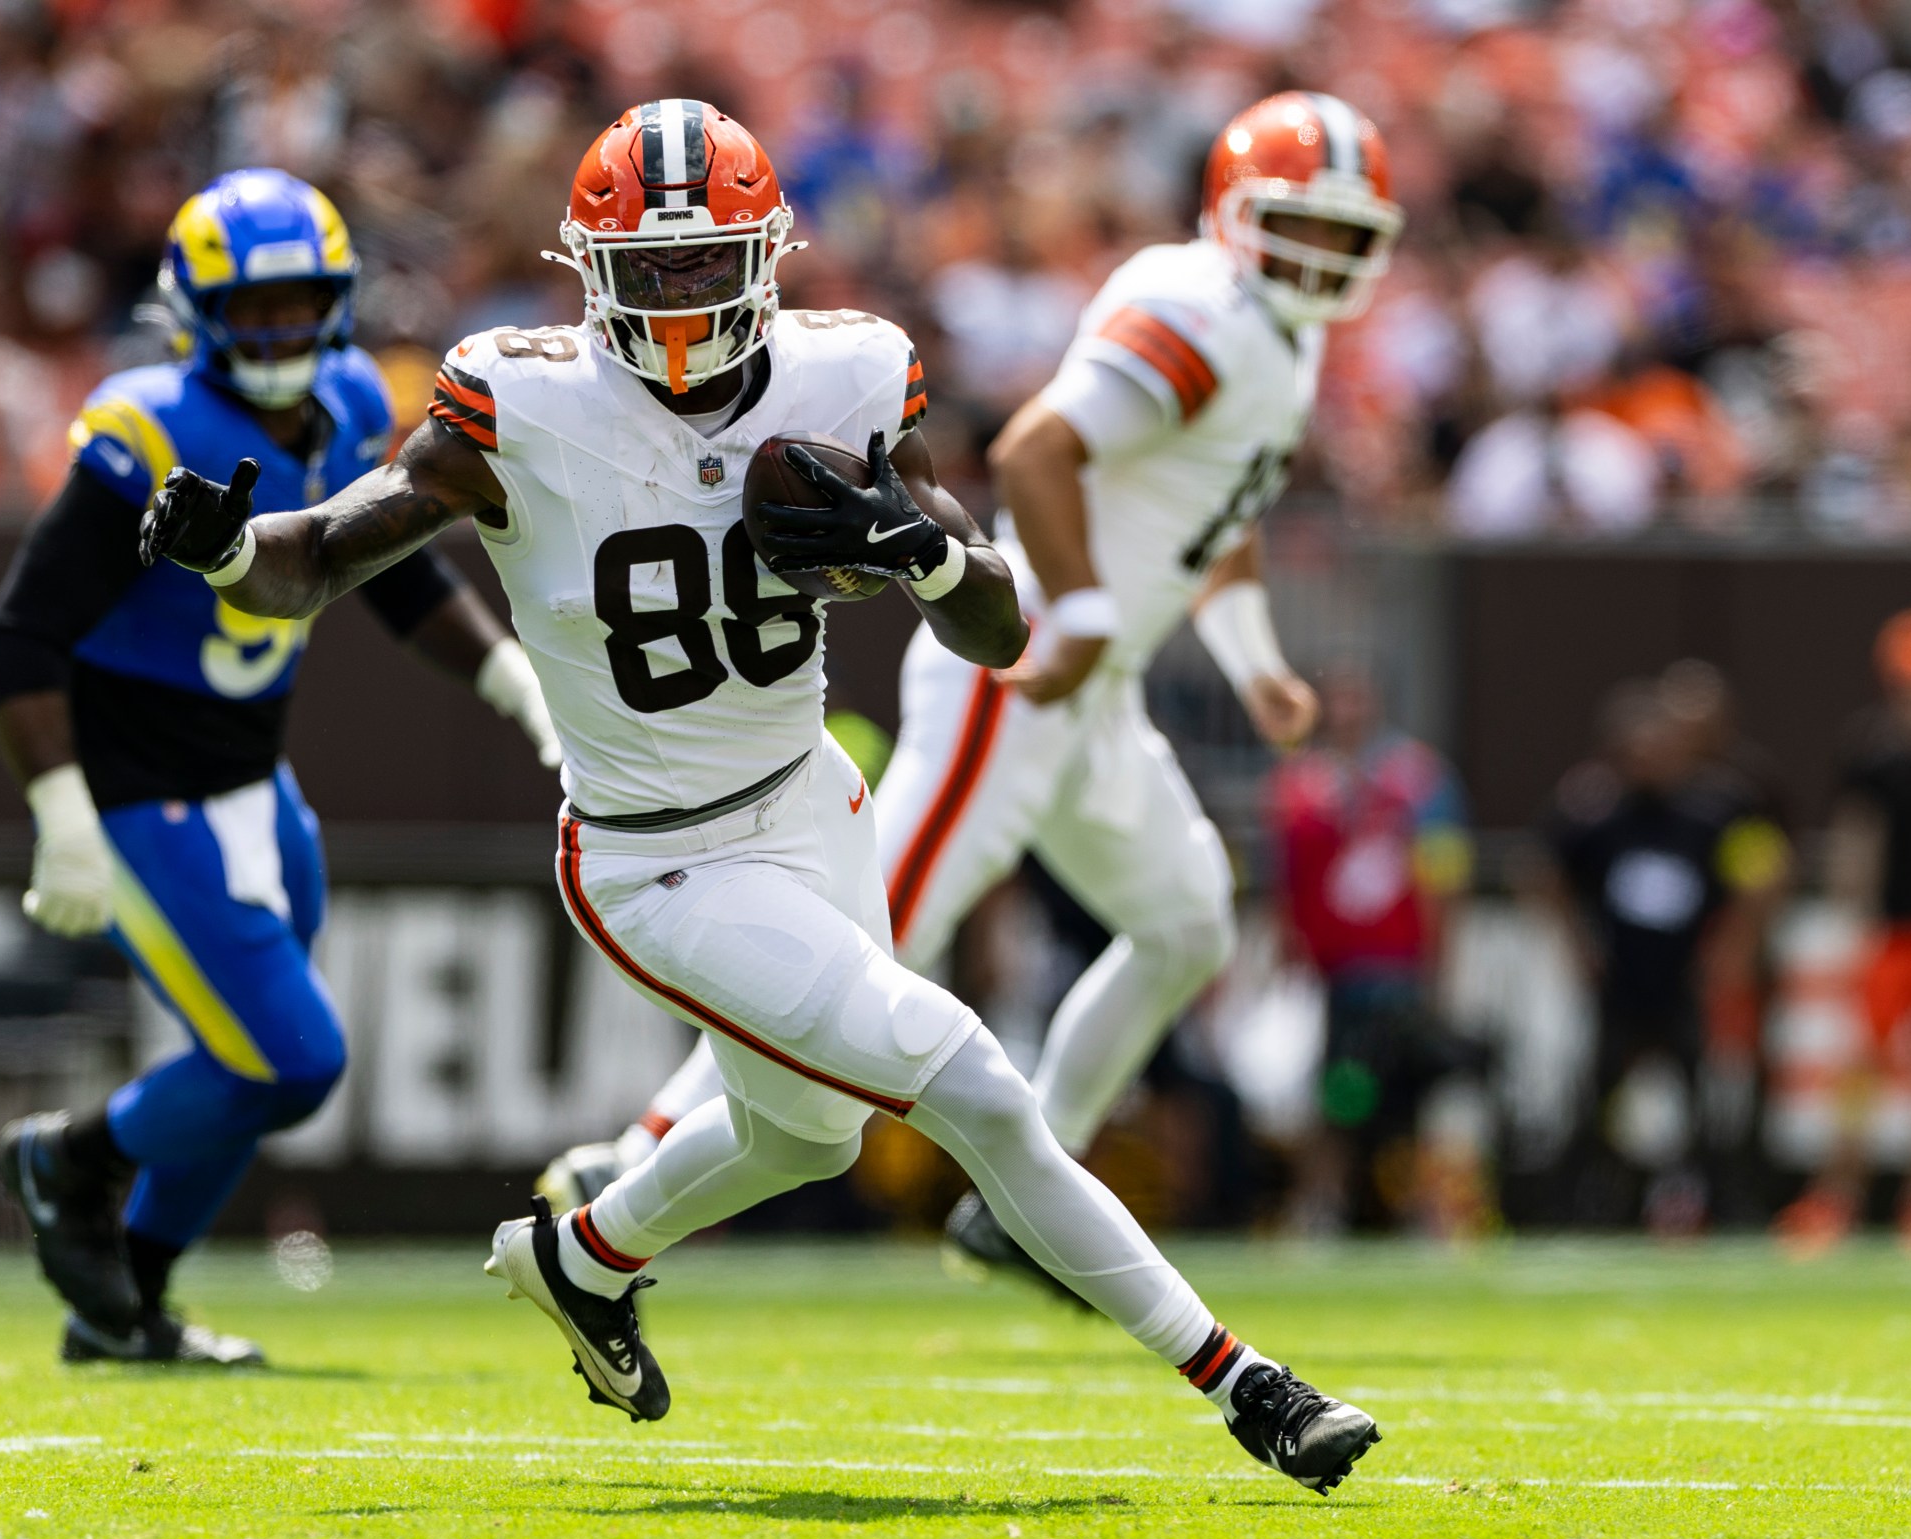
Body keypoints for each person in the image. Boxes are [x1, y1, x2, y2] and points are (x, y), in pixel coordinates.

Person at [140, 99, 1382, 1493]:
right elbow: (315, 558)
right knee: (970, 1076)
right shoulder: (518, 399)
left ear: (768, 254)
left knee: (811, 1130)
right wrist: (226, 546)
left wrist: (917, 551)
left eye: (706, 261)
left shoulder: (848, 374)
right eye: (651, 268)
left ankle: (583, 1253)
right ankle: (1246, 1383)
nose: (680, 294)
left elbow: (997, 627)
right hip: (657, 858)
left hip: (810, 801)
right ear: (591, 272)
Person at [543, 93, 1399, 1286]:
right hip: (1032, 662)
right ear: (1234, 213)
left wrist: (1255, 664)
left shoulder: (1284, 343)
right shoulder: (1198, 303)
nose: (1319, 257)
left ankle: (1030, 1189)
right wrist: (1091, 612)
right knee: (872, 941)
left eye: (1342, 235)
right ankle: (623, 1160)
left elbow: (1224, 516)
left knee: (1188, 922)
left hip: (1098, 694)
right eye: (1298, 224)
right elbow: (1037, 447)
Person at [0, 169, 561, 1366]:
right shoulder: (143, 429)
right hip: (142, 797)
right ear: (194, 312)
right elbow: (18, 638)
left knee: (251, 1065)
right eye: (252, 308)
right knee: (291, 1059)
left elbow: (384, 570)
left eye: (299, 304)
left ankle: (124, 1302)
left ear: (339, 302)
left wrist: (512, 679)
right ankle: (67, 1161)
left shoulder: (352, 399)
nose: (280, 331)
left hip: (259, 783)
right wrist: (61, 813)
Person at [1542, 680, 1790, 1230]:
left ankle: (1727, 1205)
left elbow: (1766, 875)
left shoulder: (1717, 809)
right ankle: (1582, 1204)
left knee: (1704, 1102)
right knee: (1599, 1097)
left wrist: (1733, 947)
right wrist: (1577, 943)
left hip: (1684, 982)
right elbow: (1546, 872)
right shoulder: (1596, 810)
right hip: (1623, 981)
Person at [1776, 610, 1911, 1253]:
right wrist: (1851, 906)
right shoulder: (1874, 748)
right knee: (1862, 1065)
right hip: (1895, 932)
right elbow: (1857, 832)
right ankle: (1837, 1194)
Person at [1268, 662, 1486, 1234]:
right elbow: (1287, 880)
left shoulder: (1418, 780)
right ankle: (1323, 1203)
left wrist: (1443, 961)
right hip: (1334, 974)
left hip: (1400, 970)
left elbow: (1445, 874)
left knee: (1411, 1096)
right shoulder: (1301, 785)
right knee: (1336, 1093)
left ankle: (1426, 1209)